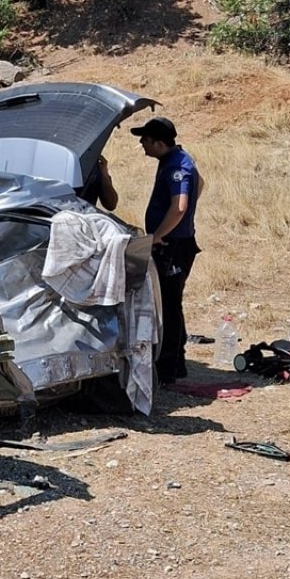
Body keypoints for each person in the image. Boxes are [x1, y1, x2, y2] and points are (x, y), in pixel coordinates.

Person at [97, 116, 206, 384]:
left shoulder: (176, 167)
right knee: (169, 302)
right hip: (175, 242)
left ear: (158, 142)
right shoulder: (177, 159)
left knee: (168, 304)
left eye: (145, 140)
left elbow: (179, 206)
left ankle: (170, 367)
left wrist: (158, 235)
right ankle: (174, 360)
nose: (142, 145)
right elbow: (200, 184)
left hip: (172, 246)